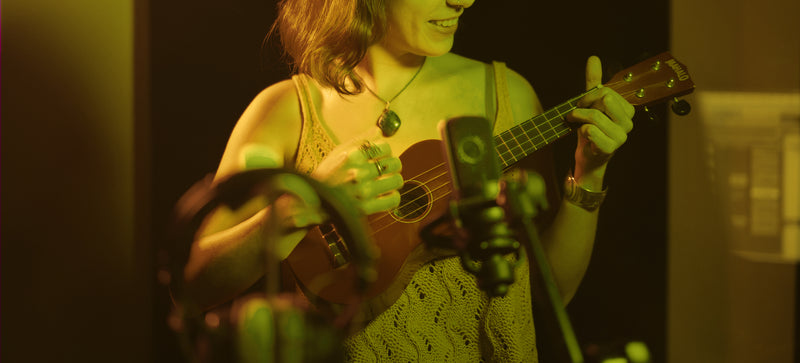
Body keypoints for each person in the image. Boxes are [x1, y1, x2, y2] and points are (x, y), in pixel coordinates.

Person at [182, 0, 635, 361]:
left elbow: (551, 293)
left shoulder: (506, 95)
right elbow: (195, 283)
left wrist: (589, 171)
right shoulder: (286, 112)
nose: (464, 1)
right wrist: (303, 205)